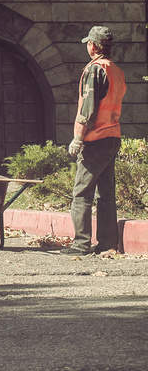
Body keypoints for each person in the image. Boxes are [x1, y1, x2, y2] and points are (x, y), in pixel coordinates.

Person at [62, 25, 126, 255]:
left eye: (89, 42)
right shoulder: (116, 71)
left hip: (94, 138)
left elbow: (87, 110)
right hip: (112, 136)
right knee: (106, 194)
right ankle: (108, 243)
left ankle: (80, 244)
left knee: (82, 193)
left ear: (94, 46)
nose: (88, 46)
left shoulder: (94, 70)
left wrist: (77, 138)